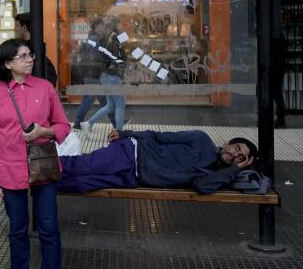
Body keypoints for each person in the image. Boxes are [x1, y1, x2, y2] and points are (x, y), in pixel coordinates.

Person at [0, 39, 71, 269]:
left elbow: (63, 126)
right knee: (17, 230)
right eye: (22, 56)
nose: (29, 59)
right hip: (9, 170)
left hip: (42, 168)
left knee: (48, 230)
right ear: (8, 64)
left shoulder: (44, 88)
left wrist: (43, 132)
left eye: (29, 55)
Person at [58, 129, 260, 194]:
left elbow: (200, 186)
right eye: (236, 148)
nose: (235, 155)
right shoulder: (201, 139)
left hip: (132, 178)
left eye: (241, 158)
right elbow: (160, 136)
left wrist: (233, 170)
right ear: (227, 143)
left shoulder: (213, 176)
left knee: (82, 183)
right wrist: (126, 132)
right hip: (131, 152)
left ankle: (42, 184)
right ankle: (37, 166)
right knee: (82, 165)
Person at [80, 15, 126, 133]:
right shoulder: (115, 37)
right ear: (116, 25)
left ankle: (88, 123)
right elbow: (120, 54)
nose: (122, 26)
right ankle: (119, 134)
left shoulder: (105, 37)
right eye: (120, 24)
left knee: (110, 106)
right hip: (113, 76)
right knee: (120, 105)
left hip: (105, 75)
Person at [71, 16, 114, 129]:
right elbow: (97, 57)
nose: (104, 28)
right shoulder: (94, 39)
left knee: (99, 99)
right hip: (93, 74)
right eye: (102, 26)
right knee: (102, 99)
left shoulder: (93, 38)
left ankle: (77, 122)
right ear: (98, 27)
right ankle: (116, 122)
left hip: (91, 74)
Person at [14, 13, 57, 87]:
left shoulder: (34, 53)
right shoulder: (39, 52)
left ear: (24, 28)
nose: (14, 29)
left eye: (17, 26)